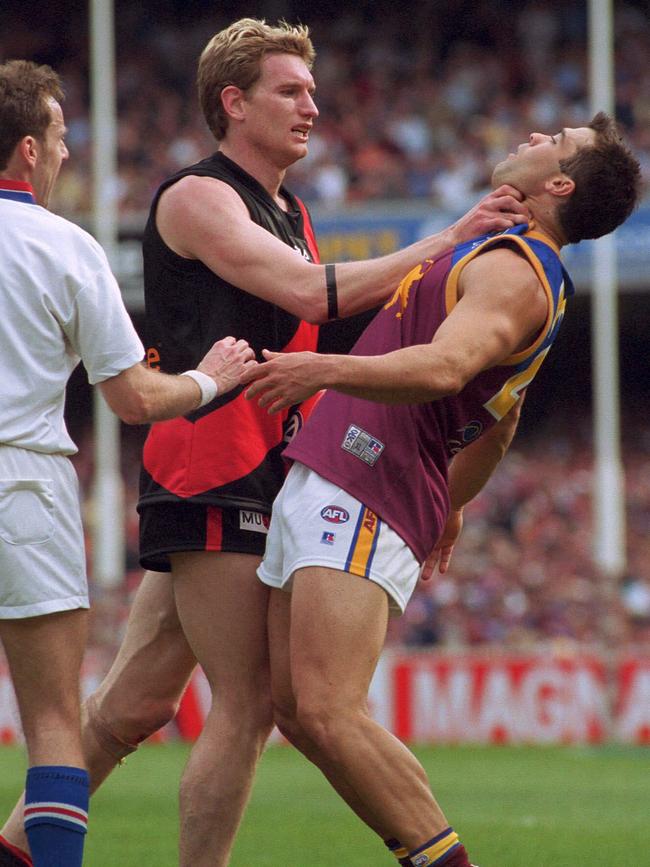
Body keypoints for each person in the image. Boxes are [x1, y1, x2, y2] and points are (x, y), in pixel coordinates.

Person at [0, 20, 531, 867]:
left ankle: (20, 846)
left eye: (313, 91)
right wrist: (450, 235)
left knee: (132, 703)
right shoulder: (198, 195)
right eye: (291, 90)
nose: (312, 106)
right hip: (213, 465)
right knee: (245, 704)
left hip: (259, 472)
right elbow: (309, 295)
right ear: (233, 102)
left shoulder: (293, 210)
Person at [242, 112, 640, 866]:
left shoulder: (518, 269)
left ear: (557, 185)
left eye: (550, 143)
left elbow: (445, 369)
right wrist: (452, 503)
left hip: (368, 475)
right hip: (351, 472)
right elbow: (503, 415)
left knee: (327, 708)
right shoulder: (514, 263)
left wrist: (320, 369)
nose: (529, 138)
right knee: (297, 709)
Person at [0, 60, 256, 867]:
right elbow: (133, 400)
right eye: (63, 135)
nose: (69, 151)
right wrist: (213, 375)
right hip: (22, 481)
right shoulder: (65, 247)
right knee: (50, 721)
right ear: (30, 151)